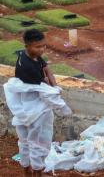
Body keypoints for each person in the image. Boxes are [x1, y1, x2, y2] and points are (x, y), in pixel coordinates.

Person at [4, 29, 72, 176]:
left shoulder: (32, 56)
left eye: (43, 46)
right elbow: (45, 93)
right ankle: (36, 172)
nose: (42, 49)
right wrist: (63, 106)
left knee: (26, 141)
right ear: (27, 46)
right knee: (38, 142)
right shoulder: (28, 67)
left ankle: (27, 170)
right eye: (38, 47)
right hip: (35, 110)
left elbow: (47, 70)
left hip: (26, 109)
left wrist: (53, 86)